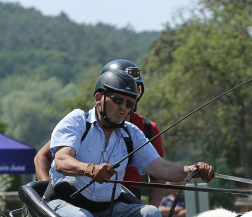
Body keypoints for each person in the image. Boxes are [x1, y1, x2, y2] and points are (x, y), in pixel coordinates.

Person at [46, 69, 214, 217]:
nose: (123, 107)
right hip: (64, 204)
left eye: (129, 103)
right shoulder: (78, 121)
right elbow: (61, 161)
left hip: (107, 210)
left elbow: (162, 169)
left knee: (151, 213)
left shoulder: (131, 133)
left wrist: (193, 170)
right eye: (117, 100)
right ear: (99, 98)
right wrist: (90, 169)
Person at [35, 59, 168, 206]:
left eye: (135, 90)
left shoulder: (147, 129)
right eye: (119, 92)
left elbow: (159, 172)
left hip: (128, 198)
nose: (128, 92)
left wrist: (153, 208)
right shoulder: (85, 124)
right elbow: (44, 156)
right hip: (83, 195)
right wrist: (48, 192)